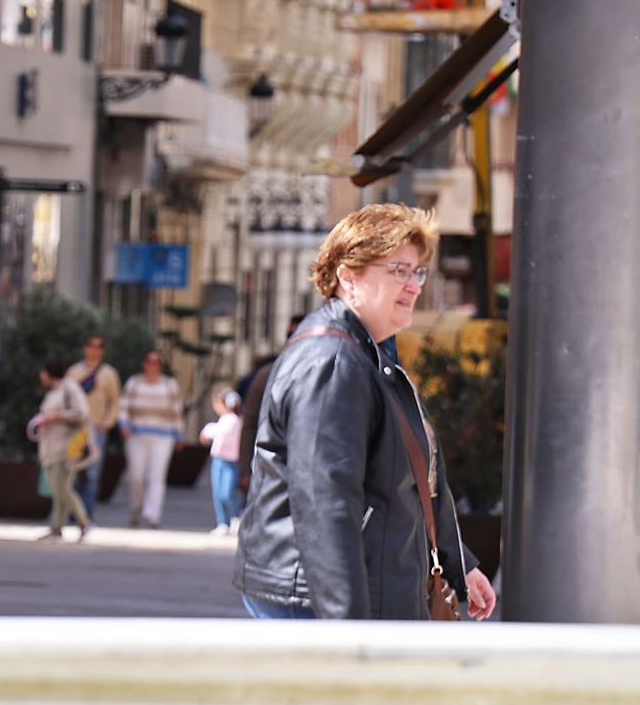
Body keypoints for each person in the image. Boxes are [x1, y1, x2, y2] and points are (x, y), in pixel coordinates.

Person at [233, 203, 497, 620]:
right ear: (348, 277)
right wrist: (349, 631)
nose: (412, 285)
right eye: (398, 271)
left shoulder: (371, 353)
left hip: (362, 588)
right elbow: (326, 502)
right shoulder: (333, 361)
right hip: (317, 600)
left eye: (417, 272)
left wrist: (456, 561)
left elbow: (412, 479)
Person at [237, 314, 305, 496]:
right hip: (271, 470)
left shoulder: (330, 373)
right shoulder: (267, 375)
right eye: (291, 334)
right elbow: (250, 423)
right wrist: (245, 469)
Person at [118, 349, 184, 529]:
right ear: (144, 363)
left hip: (162, 436)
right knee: (136, 476)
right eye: (149, 361)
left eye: (157, 362)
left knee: (157, 476)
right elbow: (123, 406)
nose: (152, 366)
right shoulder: (134, 383)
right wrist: (123, 425)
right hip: (137, 435)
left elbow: (176, 412)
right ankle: (135, 509)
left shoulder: (170, 385)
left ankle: (153, 515)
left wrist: (179, 434)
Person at [32, 357, 92, 543]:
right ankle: (57, 527)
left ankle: (84, 521)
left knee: (62, 489)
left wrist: (55, 416)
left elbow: (81, 413)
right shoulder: (54, 392)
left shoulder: (69, 388)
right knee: (57, 490)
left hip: (66, 447)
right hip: (51, 447)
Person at [65, 334, 120, 517]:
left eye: (98, 346)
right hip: (75, 428)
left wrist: (107, 423)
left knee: (92, 473)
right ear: (84, 348)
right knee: (72, 471)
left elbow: (114, 402)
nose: (94, 349)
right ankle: (74, 512)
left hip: (96, 429)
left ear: (102, 350)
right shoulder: (73, 372)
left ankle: (86, 514)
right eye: (90, 345)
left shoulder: (109, 374)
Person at [199, 388, 243, 535]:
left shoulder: (234, 420)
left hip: (231, 461)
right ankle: (222, 522)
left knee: (227, 492)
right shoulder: (224, 419)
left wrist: (207, 431)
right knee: (217, 492)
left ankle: (236, 516)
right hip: (219, 459)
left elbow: (219, 431)